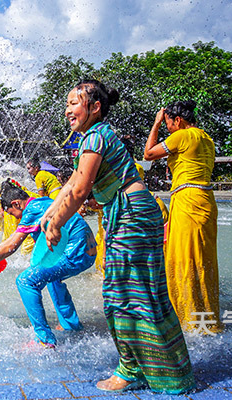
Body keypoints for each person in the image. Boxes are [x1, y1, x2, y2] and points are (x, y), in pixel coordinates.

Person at [41, 79, 194, 394]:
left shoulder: (95, 136)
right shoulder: (92, 137)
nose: (68, 109)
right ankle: (162, 369)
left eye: (75, 103)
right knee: (140, 294)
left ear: (95, 107)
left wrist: (57, 223)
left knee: (120, 296)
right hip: (132, 212)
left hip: (131, 214)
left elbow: (82, 190)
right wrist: (50, 212)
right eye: (67, 103)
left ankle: (131, 369)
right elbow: (72, 181)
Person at [0, 179, 96, 348]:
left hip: (76, 252)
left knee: (25, 281)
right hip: (88, 251)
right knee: (51, 277)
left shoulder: (31, 211)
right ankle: (71, 326)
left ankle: (44, 340)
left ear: (16, 203)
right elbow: (10, 240)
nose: (15, 218)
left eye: (12, 213)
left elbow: (12, 246)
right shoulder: (42, 202)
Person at [143, 100, 220, 333]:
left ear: (177, 120)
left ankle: (186, 320)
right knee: (203, 261)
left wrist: (155, 125)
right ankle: (207, 317)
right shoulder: (206, 138)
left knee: (184, 259)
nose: (167, 128)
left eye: (167, 123)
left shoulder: (183, 135)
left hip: (188, 200)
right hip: (205, 201)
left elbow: (148, 154)